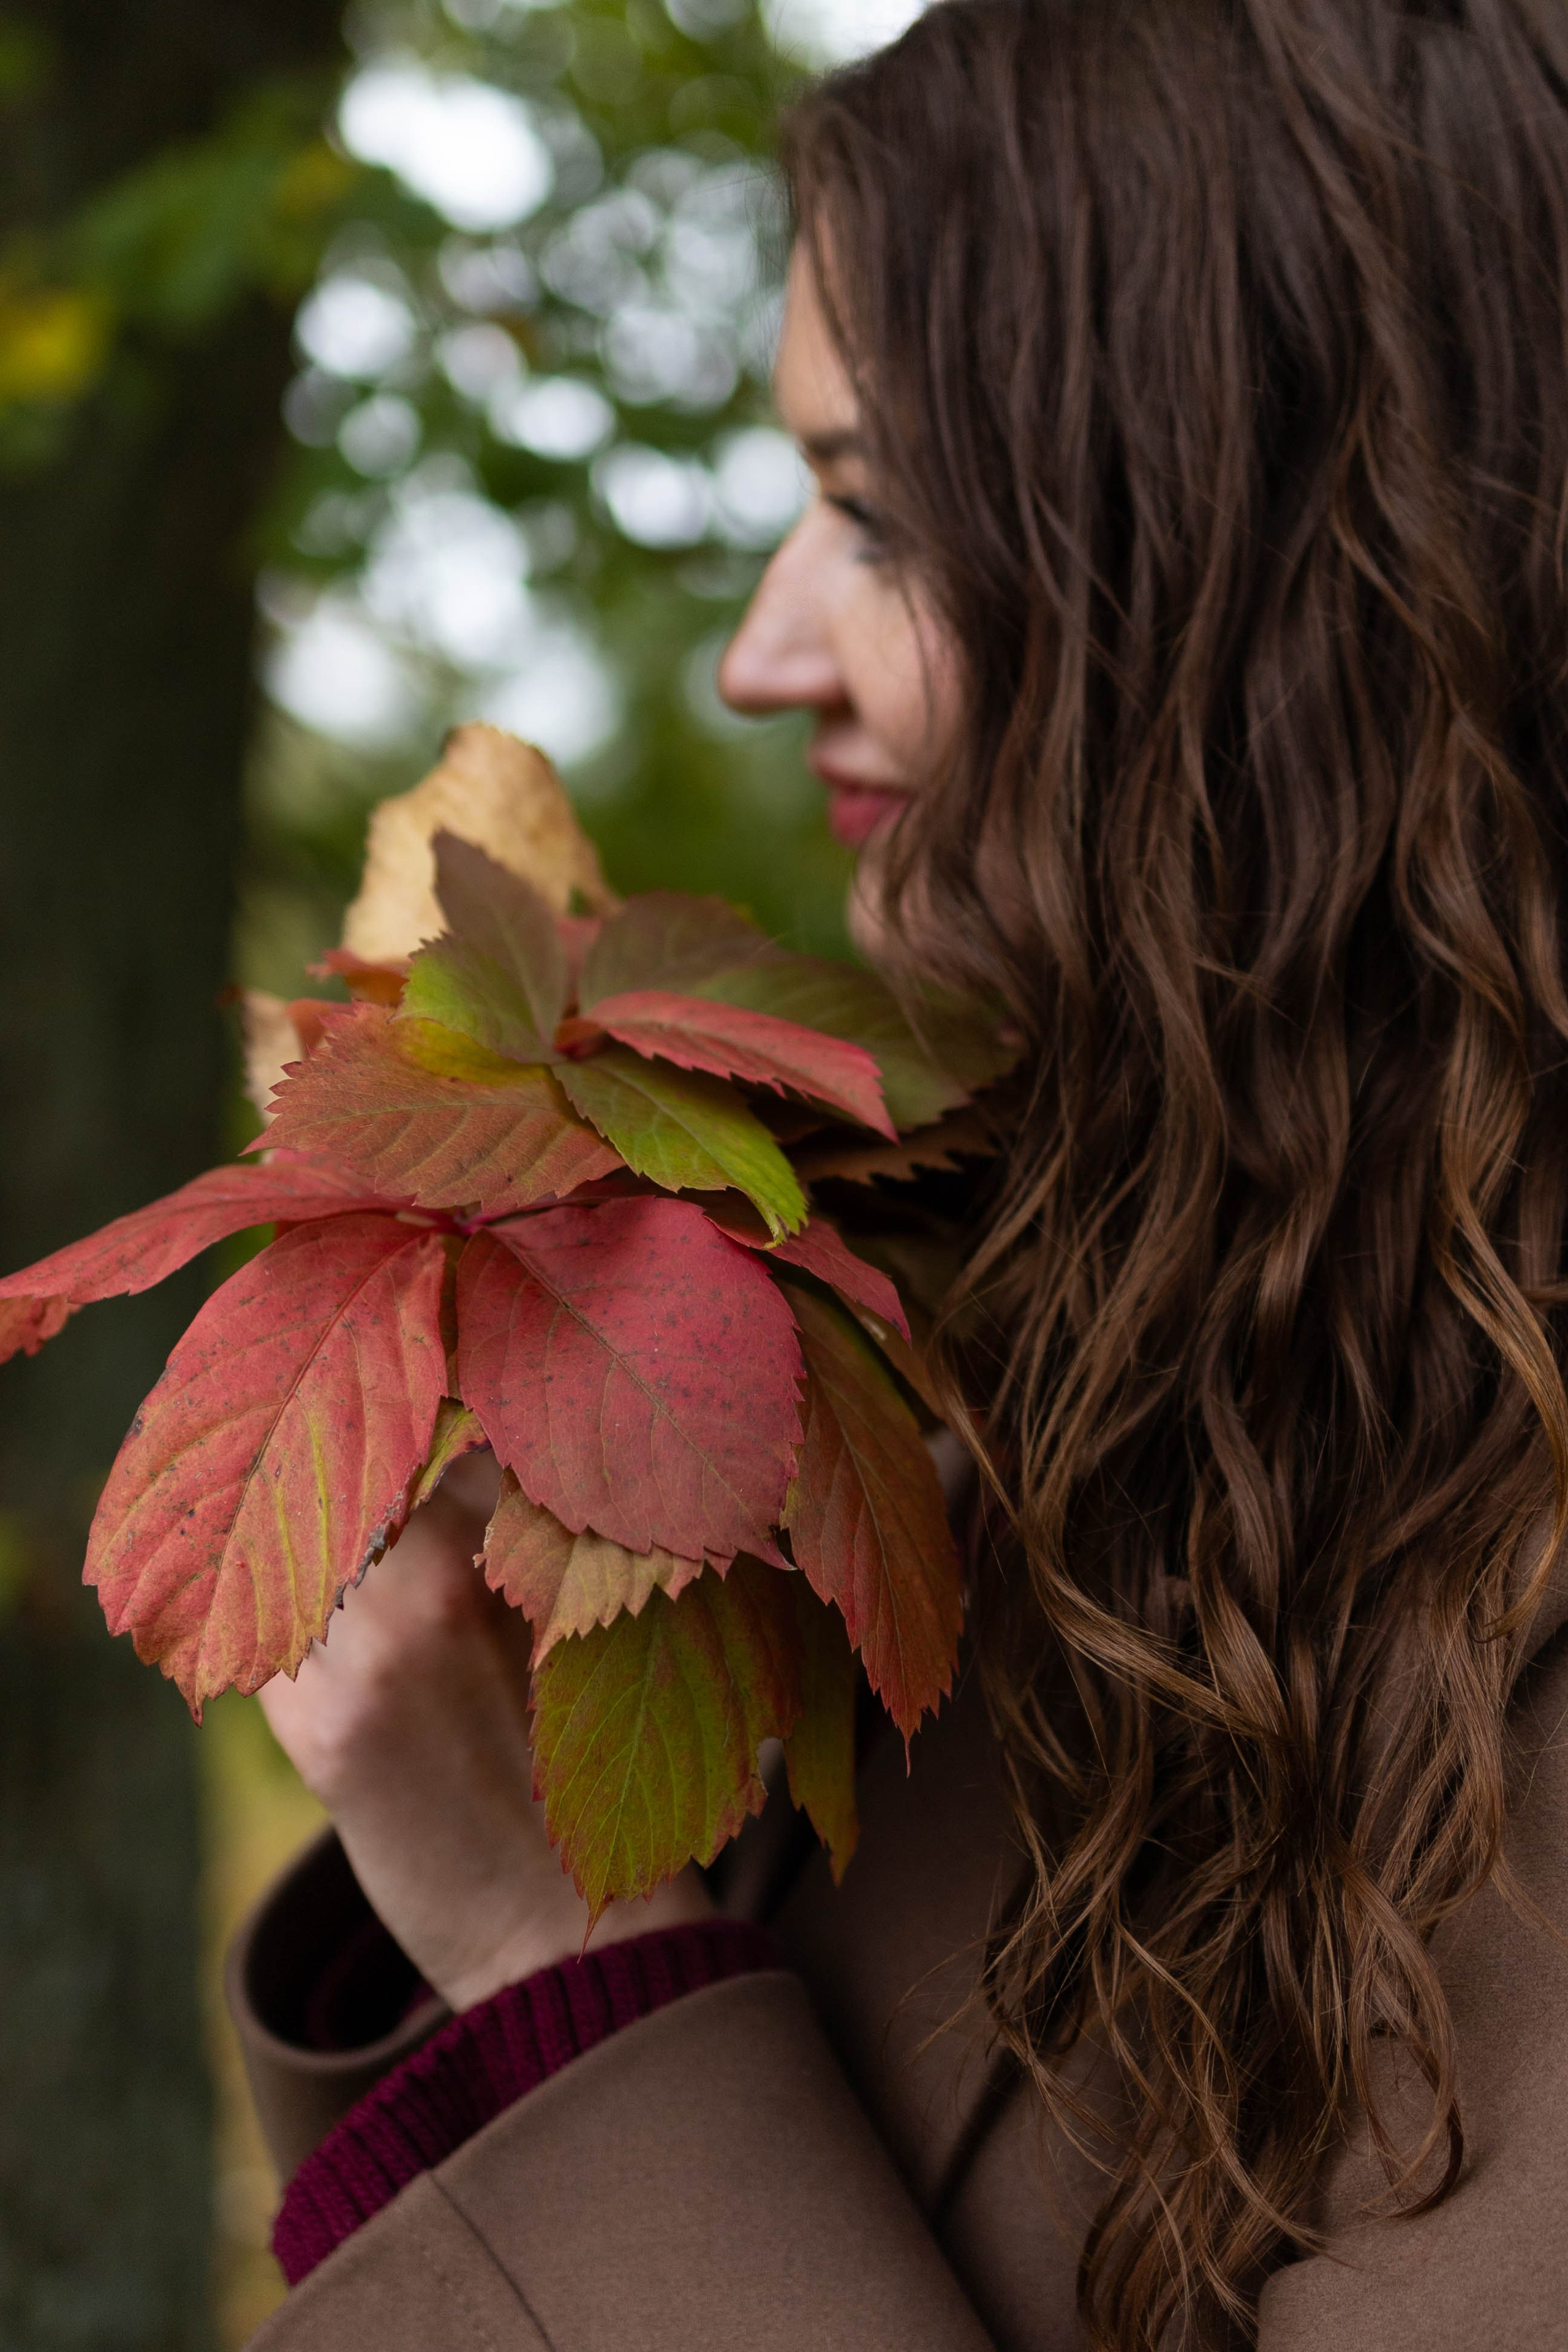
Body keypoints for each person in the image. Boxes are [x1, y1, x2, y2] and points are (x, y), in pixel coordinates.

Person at [232, 3, 1568, 2345]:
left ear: (1259, 574)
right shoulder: (1112, 1334)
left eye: (881, 515)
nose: (763, 649)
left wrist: (562, 1965)